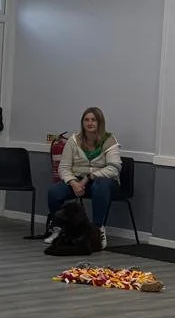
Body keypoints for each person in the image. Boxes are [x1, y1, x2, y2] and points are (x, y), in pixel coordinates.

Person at [45, 106, 122, 249]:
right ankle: (59, 229)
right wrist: (73, 182)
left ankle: (98, 230)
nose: (90, 123)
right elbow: (64, 167)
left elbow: (114, 168)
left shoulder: (109, 140)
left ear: (100, 122)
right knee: (54, 192)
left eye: (93, 120)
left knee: (101, 186)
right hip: (77, 181)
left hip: (102, 182)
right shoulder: (74, 141)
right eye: (86, 120)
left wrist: (89, 177)